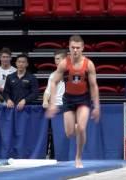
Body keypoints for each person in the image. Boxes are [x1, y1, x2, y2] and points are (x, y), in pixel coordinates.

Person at [46, 35, 100, 168]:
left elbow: (93, 86)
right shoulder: (65, 63)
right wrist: (52, 103)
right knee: (70, 133)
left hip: (83, 99)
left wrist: (97, 106)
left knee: (81, 127)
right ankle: (79, 130)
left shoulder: (89, 64)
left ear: (82, 48)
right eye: (72, 48)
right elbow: (53, 81)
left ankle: (78, 157)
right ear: (69, 48)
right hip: (69, 99)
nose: (75, 50)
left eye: (78, 48)